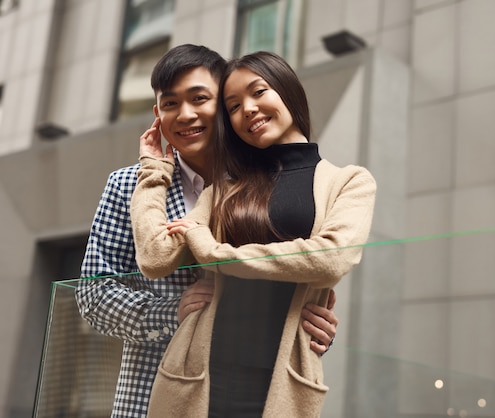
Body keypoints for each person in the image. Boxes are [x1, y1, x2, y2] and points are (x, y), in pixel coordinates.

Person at [75, 45, 338, 418]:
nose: (185, 114)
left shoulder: (267, 186)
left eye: (200, 99)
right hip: (150, 394)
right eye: (170, 104)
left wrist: (317, 329)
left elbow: (291, 280)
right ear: (157, 115)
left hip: (253, 395)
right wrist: (172, 313)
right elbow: (93, 293)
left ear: (227, 106)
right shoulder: (127, 186)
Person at [130, 51, 376, 417]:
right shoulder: (226, 188)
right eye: (232, 106)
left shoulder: (348, 181)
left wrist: (214, 254)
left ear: (287, 90)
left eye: (258, 91)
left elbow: (332, 259)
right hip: (198, 374)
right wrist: (153, 171)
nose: (247, 109)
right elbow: (154, 257)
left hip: (281, 381)